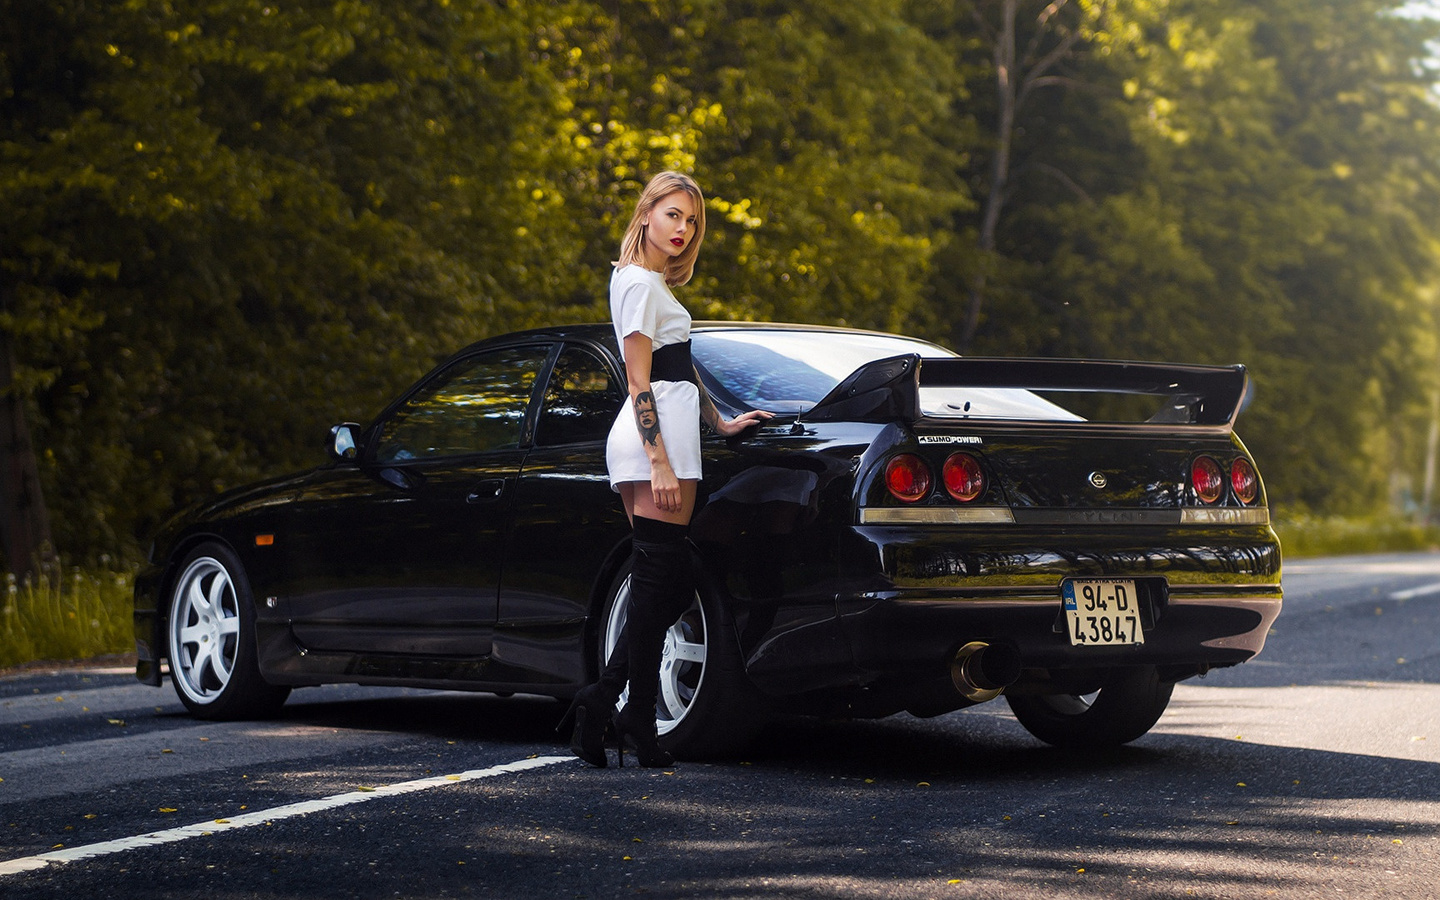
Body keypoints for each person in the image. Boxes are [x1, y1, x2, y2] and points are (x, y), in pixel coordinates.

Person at [559, 171, 772, 767]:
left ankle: (616, 709)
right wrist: (660, 461)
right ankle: (609, 705)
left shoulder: (653, 285)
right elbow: (639, 379)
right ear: (647, 212)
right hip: (657, 443)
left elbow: (680, 366)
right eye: (674, 214)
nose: (683, 229)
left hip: (672, 437)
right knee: (660, 580)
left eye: (692, 221)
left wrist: (721, 423)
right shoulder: (633, 282)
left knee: (664, 582)